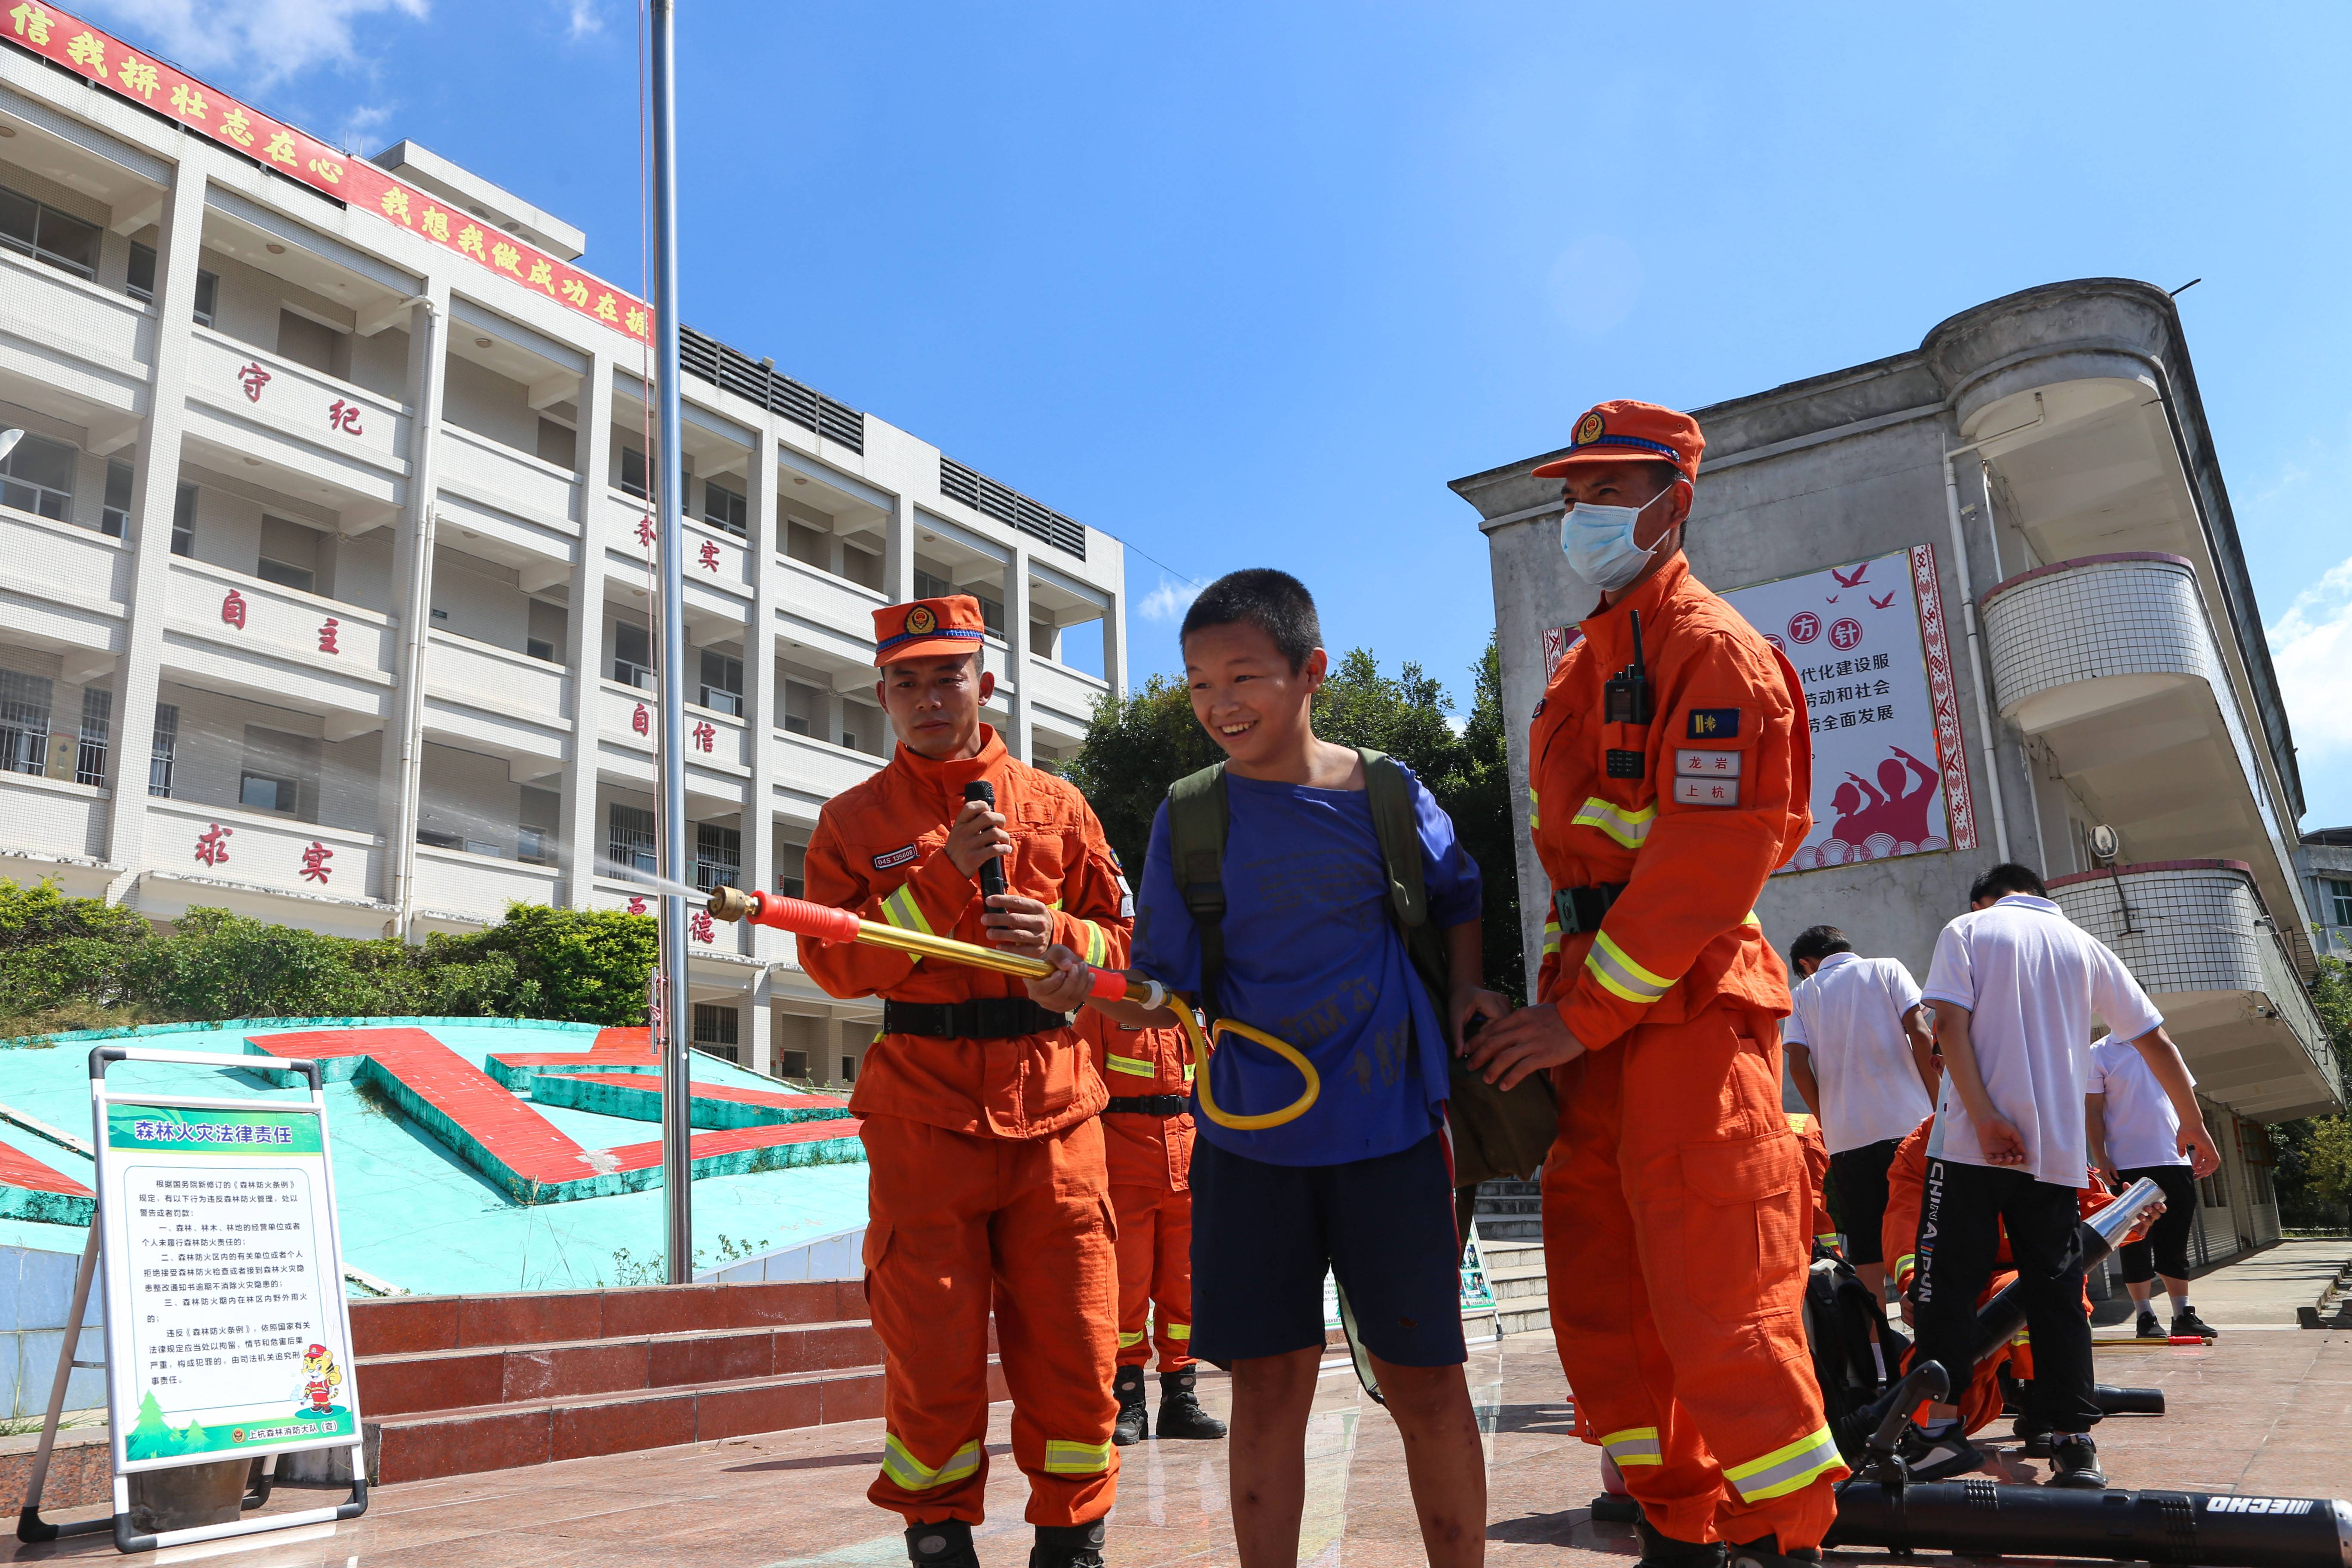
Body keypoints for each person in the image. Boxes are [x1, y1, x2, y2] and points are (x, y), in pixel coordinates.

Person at [1028, 569, 1501, 1568]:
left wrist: (1465, 988)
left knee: (1424, 1380)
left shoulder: (1384, 790)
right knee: (1269, 1384)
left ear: (1310, 671)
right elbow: (1166, 988)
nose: (1218, 705)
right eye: (1198, 683)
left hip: (1393, 1133)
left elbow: (1457, 892)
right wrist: (1090, 986)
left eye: (1242, 676)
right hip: (1248, 1144)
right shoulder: (1189, 818)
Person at [1463, 400, 1844, 1568]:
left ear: (1673, 503)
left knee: (1723, 1310)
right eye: (1574, 495)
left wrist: (1571, 1021)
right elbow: (1585, 871)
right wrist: (1534, 1010)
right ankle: (1675, 1526)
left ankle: (1789, 1538)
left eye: (1609, 492)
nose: (1582, 515)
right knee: (1606, 1308)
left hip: (1688, 1021)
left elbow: (1698, 874)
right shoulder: (1592, 656)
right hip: (1598, 1026)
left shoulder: (1712, 652)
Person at [799, 595, 1133, 1568]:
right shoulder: (852, 821)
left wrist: (1063, 938)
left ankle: (1072, 1535)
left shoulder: (1058, 805)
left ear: (984, 685)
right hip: (922, 1111)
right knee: (931, 1347)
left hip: (1058, 1102)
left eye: (947, 676)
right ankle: (937, 1535)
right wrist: (945, 876)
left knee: (1075, 1339)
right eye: (905, 682)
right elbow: (836, 964)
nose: (927, 697)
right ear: (883, 698)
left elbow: (1124, 947)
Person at [1911, 861, 2218, 1492]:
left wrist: (1987, 1117)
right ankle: (2074, 1444)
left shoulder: (1969, 931)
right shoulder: (2086, 947)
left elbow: (1947, 1027)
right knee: (2057, 1294)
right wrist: (2193, 1125)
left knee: (1947, 1284)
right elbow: (2156, 1042)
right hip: (2052, 1154)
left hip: (1971, 1146)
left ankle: (1940, 1434)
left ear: (1988, 899)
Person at [1880, 1112, 2156, 1479]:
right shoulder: (1926, 1147)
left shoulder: (2047, 1127)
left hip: (2030, 1278)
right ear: (1942, 1065)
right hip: (1959, 1289)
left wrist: (2129, 1218)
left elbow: (2084, 1207)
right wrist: (1915, 1282)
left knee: (2036, 1294)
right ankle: (1945, 1430)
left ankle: (2054, 1420)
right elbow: (1905, 1220)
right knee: (1936, 1384)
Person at [1073, 1008, 1228, 1444]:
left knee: (1186, 1291)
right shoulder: (1100, 1012)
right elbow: (1080, 1091)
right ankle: (1128, 1401)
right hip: (1122, 1172)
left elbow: (1218, 1089)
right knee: (1126, 1293)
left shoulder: (1193, 1015)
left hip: (1190, 1170)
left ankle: (1181, 1401)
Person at [1782, 925, 1938, 1311]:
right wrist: (1939, 1104)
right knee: (1930, 1233)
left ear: (1806, 963)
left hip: (1848, 1139)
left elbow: (1799, 1066)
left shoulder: (1803, 993)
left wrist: (1828, 1117)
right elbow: (1920, 1032)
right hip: (1910, 1126)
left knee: (1867, 1249)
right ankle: (1940, 1337)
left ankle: (1879, 1357)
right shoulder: (1886, 968)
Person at [2088, 1034, 2217, 1340]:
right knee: (2134, 1240)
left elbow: (2186, 1099)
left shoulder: (2165, 1047)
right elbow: (2092, 1109)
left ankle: (2183, 1313)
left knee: (2175, 1238)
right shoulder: (2099, 1053)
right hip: (2126, 1163)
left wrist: (2201, 1142)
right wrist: (2100, 1156)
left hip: (2175, 1157)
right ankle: (2145, 1316)